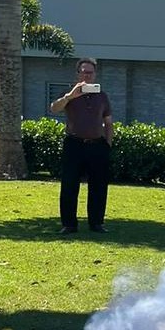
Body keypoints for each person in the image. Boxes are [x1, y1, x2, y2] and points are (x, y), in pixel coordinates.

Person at [49, 58, 113, 234]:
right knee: (69, 185)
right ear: (77, 74)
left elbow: (108, 122)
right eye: (83, 72)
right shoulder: (69, 93)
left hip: (97, 146)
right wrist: (70, 96)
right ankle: (69, 224)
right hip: (74, 144)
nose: (87, 75)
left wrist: (108, 144)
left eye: (90, 72)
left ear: (95, 75)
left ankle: (96, 223)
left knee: (98, 186)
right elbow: (54, 108)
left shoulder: (102, 96)